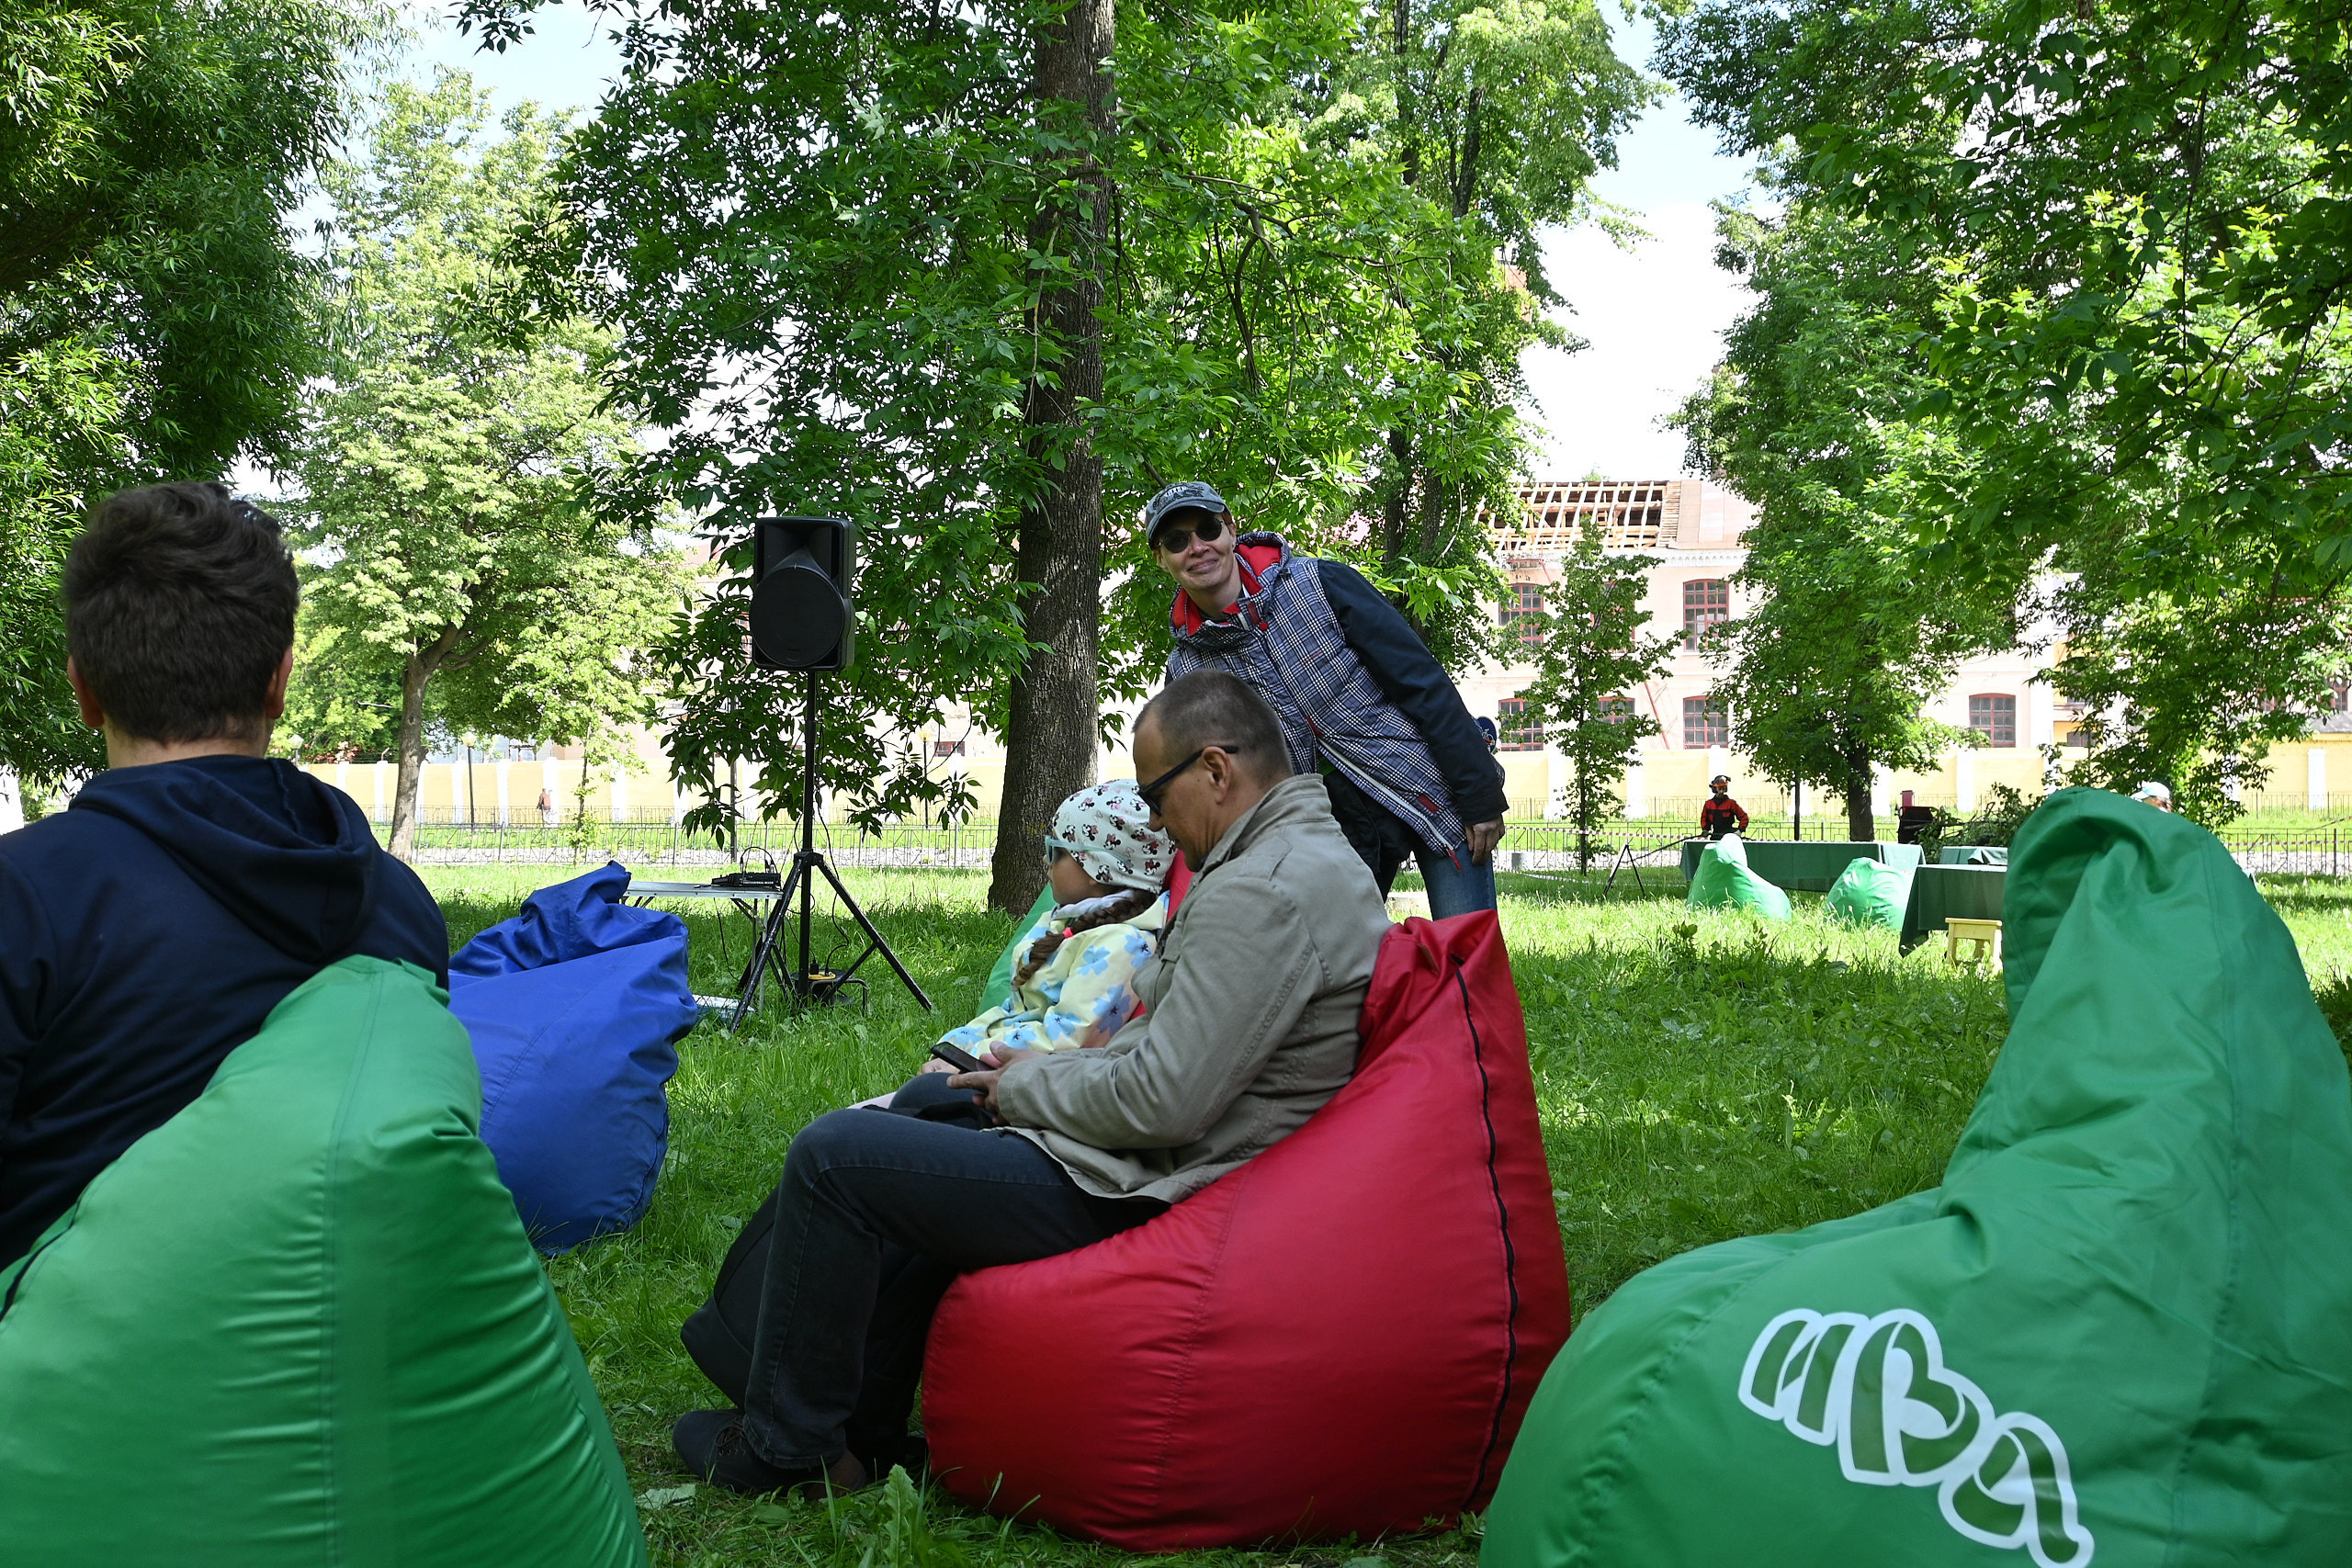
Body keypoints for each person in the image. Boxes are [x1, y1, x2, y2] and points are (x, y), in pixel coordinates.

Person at [672, 670, 1389, 1494]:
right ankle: (853, 1437)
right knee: (929, 1112)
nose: (1155, 820)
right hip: (1149, 1162)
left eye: (1158, 794)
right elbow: (1175, 1055)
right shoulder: (1291, 859)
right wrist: (1048, 1066)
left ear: (1217, 770)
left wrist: (1024, 1091)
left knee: (837, 1156)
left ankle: (787, 1452)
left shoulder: (1262, 890)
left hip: (1138, 1184)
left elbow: (1167, 1101)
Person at [0, 482, 448, 1269]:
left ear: (83, 690)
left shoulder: (23, 897)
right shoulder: (398, 904)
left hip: (71, 1375)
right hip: (334, 1363)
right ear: (278, 681)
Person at [1147, 480, 1508, 918]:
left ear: (1230, 528)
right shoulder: (1187, 671)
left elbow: (1423, 682)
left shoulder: (1320, 583)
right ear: (1161, 558)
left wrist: (1479, 795)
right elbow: (1208, 783)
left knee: (1469, 962)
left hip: (1429, 789)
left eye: (1206, 528)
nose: (1197, 547)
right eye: (1176, 540)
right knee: (1351, 976)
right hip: (1327, 838)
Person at [921, 780, 1174, 1066]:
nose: (1045, 859)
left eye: (1056, 850)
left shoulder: (1122, 947)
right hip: (1000, 1067)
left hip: (1026, 1086)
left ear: (1098, 866)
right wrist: (954, 1047)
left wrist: (966, 1061)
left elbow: (1064, 1041)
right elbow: (1014, 1011)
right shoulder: (1067, 918)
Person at [1699, 774, 1750, 840]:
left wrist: (1740, 831)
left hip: (1729, 837)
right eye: (1720, 788)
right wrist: (1705, 829)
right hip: (1715, 836)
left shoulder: (1731, 803)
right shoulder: (1709, 804)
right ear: (1715, 789)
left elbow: (1744, 817)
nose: (1722, 791)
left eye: (1724, 788)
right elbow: (1704, 819)